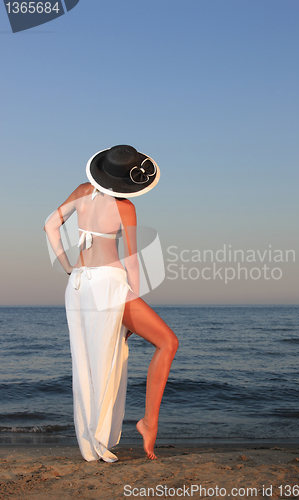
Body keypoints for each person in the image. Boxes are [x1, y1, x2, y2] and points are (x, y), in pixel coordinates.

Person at [44, 145, 178, 461]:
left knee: (88, 363)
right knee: (167, 343)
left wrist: (68, 267)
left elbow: (50, 226)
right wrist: (131, 307)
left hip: (78, 286)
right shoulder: (125, 207)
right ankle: (148, 423)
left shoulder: (81, 191)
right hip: (108, 284)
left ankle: (92, 439)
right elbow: (132, 265)